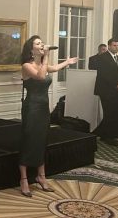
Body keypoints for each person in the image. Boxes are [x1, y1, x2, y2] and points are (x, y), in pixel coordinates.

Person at [19, 36, 77, 196]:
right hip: (32, 107)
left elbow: (54, 68)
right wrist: (46, 58)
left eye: (42, 43)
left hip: (44, 108)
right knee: (29, 140)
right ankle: (23, 179)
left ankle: (41, 176)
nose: (42, 45)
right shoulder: (26, 66)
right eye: (38, 44)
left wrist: (67, 62)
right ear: (31, 49)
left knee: (42, 140)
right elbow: (40, 76)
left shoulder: (42, 64)